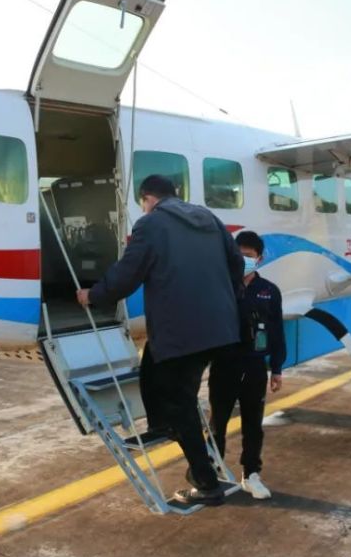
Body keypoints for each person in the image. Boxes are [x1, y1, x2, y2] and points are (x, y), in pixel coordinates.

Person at [76, 174, 244, 505]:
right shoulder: (209, 218)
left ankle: (206, 483)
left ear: (147, 199)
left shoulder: (151, 225)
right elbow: (237, 263)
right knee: (152, 362)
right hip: (221, 328)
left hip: (183, 331)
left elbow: (128, 274)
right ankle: (162, 425)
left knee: (179, 402)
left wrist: (93, 295)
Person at [208, 230, 286, 500]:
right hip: (224, 364)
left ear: (260, 258)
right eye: (239, 255)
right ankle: (212, 473)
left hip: (254, 367)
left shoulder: (269, 292)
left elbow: (277, 332)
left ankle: (251, 474)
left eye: (249, 256)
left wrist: (276, 368)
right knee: (218, 422)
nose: (243, 260)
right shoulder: (220, 286)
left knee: (253, 424)